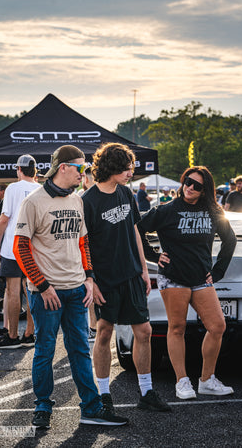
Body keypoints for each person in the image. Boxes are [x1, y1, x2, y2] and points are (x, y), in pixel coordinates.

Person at [13, 144, 128, 429]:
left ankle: (91, 408)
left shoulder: (77, 200)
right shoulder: (34, 202)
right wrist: (42, 286)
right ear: (62, 167)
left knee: (79, 350)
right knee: (45, 350)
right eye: (80, 167)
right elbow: (20, 247)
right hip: (46, 293)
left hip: (76, 288)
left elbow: (83, 241)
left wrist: (89, 277)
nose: (84, 172)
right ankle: (42, 408)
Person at [82, 142, 171, 413]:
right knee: (104, 332)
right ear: (111, 168)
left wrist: (144, 268)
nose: (131, 172)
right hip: (104, 279)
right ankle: (104, 395)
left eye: (131, 167)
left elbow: (134, 229)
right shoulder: (87, 200)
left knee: (144, 331)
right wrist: (91, 279)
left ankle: (146, 392)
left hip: (132, 273)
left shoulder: (126, 192)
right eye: (126, 168)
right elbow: (82, 244)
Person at [138, 166, 236, 400]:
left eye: (197, 186)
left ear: (205, 190)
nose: (190, 187)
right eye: (188, 182)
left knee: (217, 326)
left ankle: (206, 380)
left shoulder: (213, 211)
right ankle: (182, 382)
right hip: (173, 276)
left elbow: (230, 240)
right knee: (177, 327)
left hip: (201, 278)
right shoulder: (167, 210)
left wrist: (218, 271)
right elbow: (137, 229)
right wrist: (153, 255)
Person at [0, 155, 40, 349]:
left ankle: (12, 335)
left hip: (13, 246)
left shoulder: (13, 188)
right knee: (32, 290)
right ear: (34, 170)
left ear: (19, 169)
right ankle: (29, 334)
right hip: (34, 248)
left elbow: (4, 218)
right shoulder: (41, 189)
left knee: (12, 290)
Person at [77, 166, 97, 341]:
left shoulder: (81, 198)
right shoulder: (82, 198)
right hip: (92, 250)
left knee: (89, 289)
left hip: (88, 250)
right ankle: (94, 327)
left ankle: (93, 327)